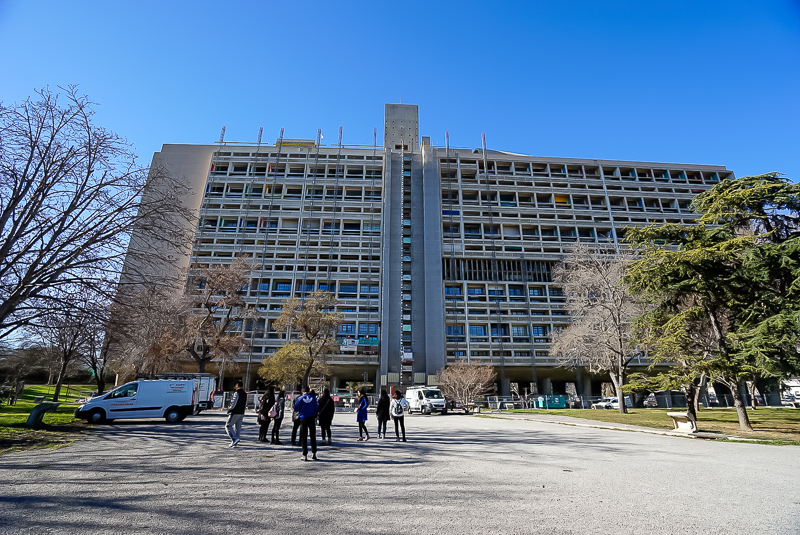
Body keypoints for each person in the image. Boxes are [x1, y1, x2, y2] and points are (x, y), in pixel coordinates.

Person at [294, 385, 319, 461]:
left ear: (302, 391)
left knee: (304, 436)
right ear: (309, 391)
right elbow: (317, 407)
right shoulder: (313, 398)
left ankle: (304, 454)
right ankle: (314, 453)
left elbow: (296, 408)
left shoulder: (300, 398)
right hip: (311, 417)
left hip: (303, 418)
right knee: (313, 436)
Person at [225, 380, 247, 447]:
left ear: (237, 385)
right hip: (241, 412)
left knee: (228, 425)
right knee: (238, 428)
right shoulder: (244, 393)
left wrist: (230, 408)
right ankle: (235, 442)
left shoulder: (237, 393)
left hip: (235, 412)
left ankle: (234, 439)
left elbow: (234, 402)